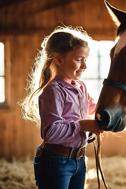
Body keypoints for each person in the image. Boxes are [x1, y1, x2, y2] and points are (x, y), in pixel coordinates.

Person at [21, 26, 102, 189]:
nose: (84, 66)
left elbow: (93, 107)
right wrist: (83, 125)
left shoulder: (80, 87)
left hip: (79, 160)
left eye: (85, 60)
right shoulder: (53, 91)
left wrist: (113, 108)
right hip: (56, 161)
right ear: (58, 60)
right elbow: (50, 132)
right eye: (79, 59)